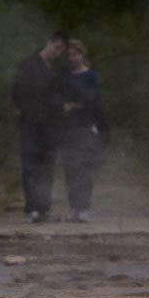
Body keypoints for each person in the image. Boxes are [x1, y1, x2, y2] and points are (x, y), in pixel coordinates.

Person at [11, 31, 70, 223]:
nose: (58, 52)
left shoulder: (60, 68)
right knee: (30, 166)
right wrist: (32, 112)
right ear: (50, 42)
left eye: (61, 50)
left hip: (52, 126)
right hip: (30, 125)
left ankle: (44, 209)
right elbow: (17, 94)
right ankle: (32, 209)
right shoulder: (27, 65)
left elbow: (64, 92)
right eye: (57, 47)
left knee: (47, 168)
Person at [59, 38, 110, 223]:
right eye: (69, 55)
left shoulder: (90, 76)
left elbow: (93, 99)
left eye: (75, 54)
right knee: (70, 168)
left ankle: (84, 208)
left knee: (84, 168)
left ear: (82, 54)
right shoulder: (65, 76)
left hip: (86, 126)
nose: (72, 58)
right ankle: (74, 207)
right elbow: (61, 97)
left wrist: (75, 103)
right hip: (68, 127)